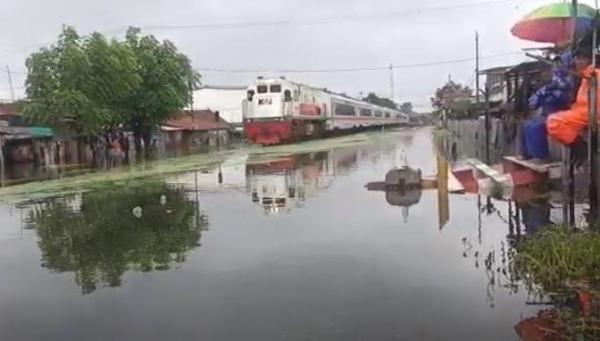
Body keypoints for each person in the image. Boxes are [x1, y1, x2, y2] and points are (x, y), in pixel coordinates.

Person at [522, 50, 575, 160]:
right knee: (526, 125)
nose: (557, 66)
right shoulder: (554, 80)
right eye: (556, 63)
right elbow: (535, 100)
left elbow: (562, 95)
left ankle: (542, 157)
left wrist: (545, 94)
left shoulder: (572, 78)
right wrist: (542, 94)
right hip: (549, 113)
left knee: (536, 127)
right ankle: (528, 155)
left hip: (562, 112)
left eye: (560, 63)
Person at [546, 47, 594, 167]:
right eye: (577, 58)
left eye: (582, 59)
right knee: (554, 121)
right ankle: (578, 147)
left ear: (590, 60)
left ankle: (580, 148)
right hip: (583, 111)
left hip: (592, 112)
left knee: (554, 122)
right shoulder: (583, 76)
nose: (578, 62)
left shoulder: (593, 74)